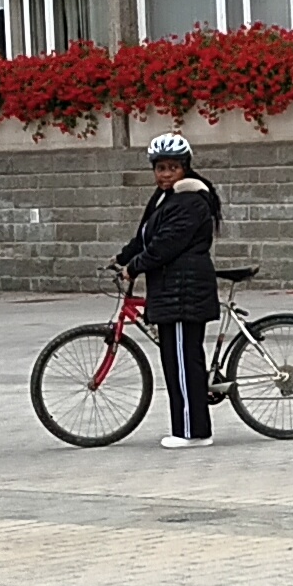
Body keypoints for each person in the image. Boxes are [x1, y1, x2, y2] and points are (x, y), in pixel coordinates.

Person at [115, 133, 222, 450]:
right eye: (160, 167)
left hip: (183, 290)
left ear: (185, 168)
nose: (164, 173)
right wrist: (121, 258)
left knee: (183, 361)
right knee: (177, 361)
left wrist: (135, 266)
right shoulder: (165, 197)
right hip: (172, 288)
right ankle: (189, 427)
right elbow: (145, 237)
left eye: (172, 167)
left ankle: (193, 432)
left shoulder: (189, 200)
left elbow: (166, 245)